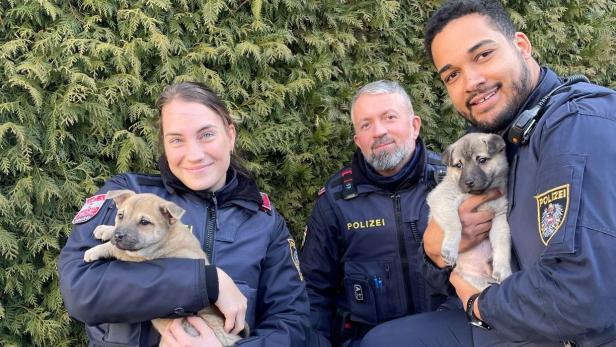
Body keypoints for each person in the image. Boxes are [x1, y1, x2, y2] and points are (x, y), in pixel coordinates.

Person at [360, 1, 616, 346]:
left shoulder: (575, 126)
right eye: (452, 75)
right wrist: (436, 253)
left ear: (521, 46)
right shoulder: (505, 138)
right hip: (518, 316)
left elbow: (583, 299)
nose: (472, 82)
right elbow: (442, 275)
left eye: (482, 55)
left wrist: (478, 305)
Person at [59, 81, 310, 347]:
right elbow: (80, 289)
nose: (194, 154)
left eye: (206, 134)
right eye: (177, 139)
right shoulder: (128, 196)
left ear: (230, 135)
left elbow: (292, 324)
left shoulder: (264, 222)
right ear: (165, 146)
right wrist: (205, 281)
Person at [299, 80, 449, 347]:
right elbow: (314, 292)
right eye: (366, 124)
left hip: (446, 337)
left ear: (414, 125)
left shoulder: (452, 183)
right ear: (358, 140)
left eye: (389, 117)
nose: (379, 131)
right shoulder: (335, 202)